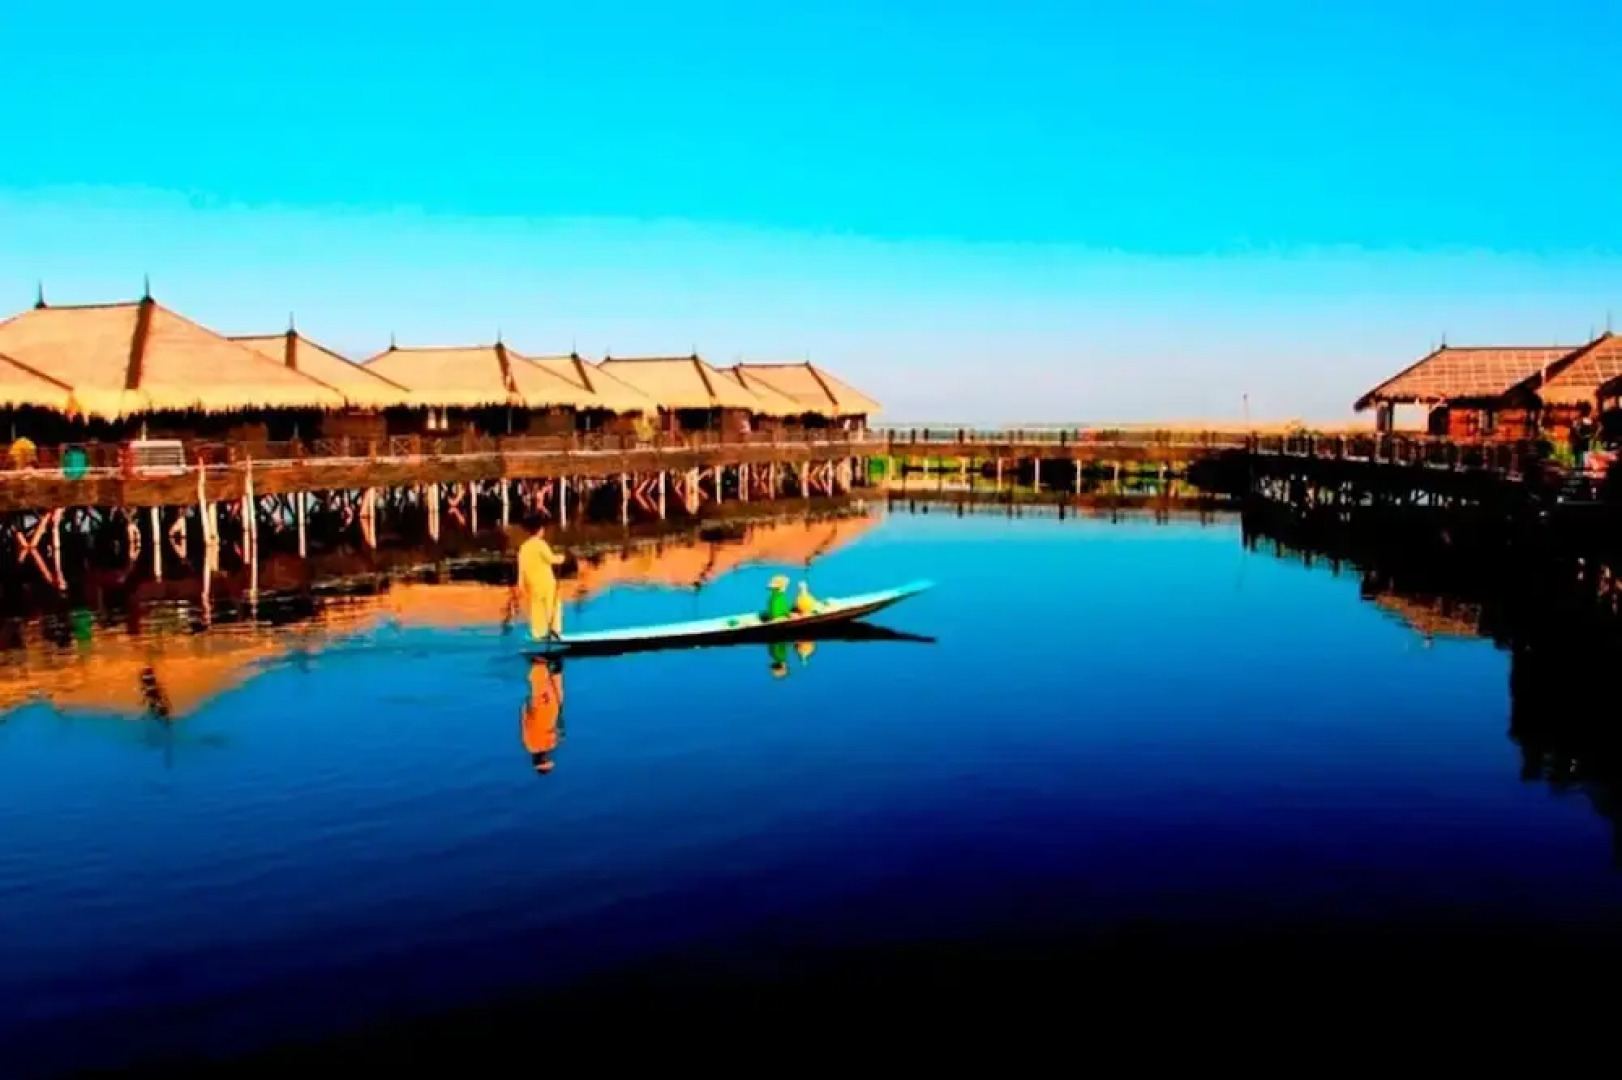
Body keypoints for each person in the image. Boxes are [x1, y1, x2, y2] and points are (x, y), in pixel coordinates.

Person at [516, 516, 566, 640]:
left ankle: (538, 635)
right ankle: (555, 633)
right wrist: (561, 558)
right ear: (539, 530)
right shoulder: (540, 544)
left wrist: (520, 584)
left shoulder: (524, 547)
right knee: (552, 607)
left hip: (532, 584)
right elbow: (551, 559)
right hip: (546, 583)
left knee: (536, 609)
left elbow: (521, 568)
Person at [522, 658, 564, 774]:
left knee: (541, 689)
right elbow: (555, 732)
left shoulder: (532, 745)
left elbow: (526, 725)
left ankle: (539, 664)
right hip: (551, 714)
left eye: (546, 760)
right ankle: (556, 668)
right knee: (557, 694)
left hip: (541, 712)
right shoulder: (549, 746)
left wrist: (526, 709)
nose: (548, 758)